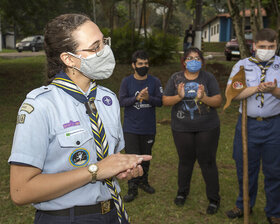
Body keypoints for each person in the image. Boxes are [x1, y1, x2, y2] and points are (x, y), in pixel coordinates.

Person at [8, 13, 152, 224]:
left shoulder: (107, 99)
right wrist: (95, 171)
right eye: (95, 47)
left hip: (113, 212)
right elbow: (21, 191)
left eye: (105, 42)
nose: (105, 51)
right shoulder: (41, 106)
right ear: (68, 59)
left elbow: (111, 158)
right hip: (66, 217)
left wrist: (122, 167)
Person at [225, 28, 280, 224]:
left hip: (274, 125)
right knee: (246, 168)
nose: (267, 50)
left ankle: (274, 211)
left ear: (276, 46)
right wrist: (256, 88)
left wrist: (274, 90)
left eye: (271, 47)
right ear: (255, 46)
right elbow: (231, 94)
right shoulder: (242, 66)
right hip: (247, 125)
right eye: (263, 46)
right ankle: (243, 204)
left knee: (275, 170)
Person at [162, 47, 222, 214]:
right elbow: (165, 100)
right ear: (184, 61)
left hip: (207, 127)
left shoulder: (208, 78)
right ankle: (182, 193)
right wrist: (179, 97)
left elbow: (218, 100)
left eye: (197, 58)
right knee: (185, 161)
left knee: (207, 162)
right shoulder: (176, 78)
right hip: (182, 128)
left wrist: (204, 98)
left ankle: (213, 199)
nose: (193, 61)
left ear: (201, 62)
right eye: (190, 58)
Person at [119, 50, 163, 202]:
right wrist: (136, 98)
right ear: (133, 65)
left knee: (146, 157)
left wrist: (148, 98)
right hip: (131, 128)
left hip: (148, 128)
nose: (144, 66)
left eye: (146, 63)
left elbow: (160, 102)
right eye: (140, 64)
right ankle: (132, 188)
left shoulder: (155, 81)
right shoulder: (127, 82)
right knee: (132, 159)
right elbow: (122, 101)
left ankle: (144, 182)